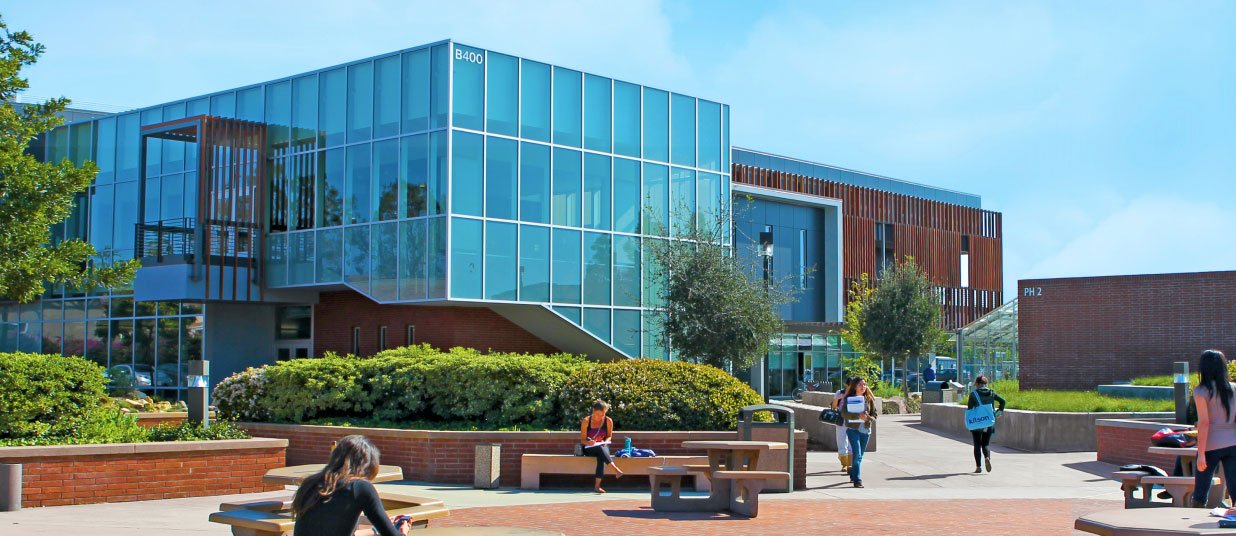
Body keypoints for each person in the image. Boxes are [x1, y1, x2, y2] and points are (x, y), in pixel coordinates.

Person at [291, 435, 409, 536]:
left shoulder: (309, 483)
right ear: (367, 464)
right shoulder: (360, 488)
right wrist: (403, 530)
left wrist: (375, 530)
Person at [1191, 350, 1236, 508]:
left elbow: (1204, 423)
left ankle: (1195, 517)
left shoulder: (1201, 391)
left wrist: (1201, 454)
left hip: (1210, 445)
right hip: (1233, 443)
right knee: (1234, 485)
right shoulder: (1234, 388)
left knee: (1201, 490)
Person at [840, 376, 878, 488]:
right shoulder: (849, 399)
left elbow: (875, 415)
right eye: (860, 385)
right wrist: (858, 416)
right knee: (857, 454)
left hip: (865, 429)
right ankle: (857, 480)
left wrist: (868, 418)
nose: (863, 387)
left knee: (860, 456)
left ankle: (853, 473)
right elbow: (844, 413)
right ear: (855, 387)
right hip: (853, 429)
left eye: (864, 384)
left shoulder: (869, 399)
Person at [580, 400, 624, 493]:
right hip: (588, 448)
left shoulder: (608, 421)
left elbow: (609, 436)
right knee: (601, 450)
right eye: (597, 414)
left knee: (601, 456)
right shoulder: (586, 421)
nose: (600, 417)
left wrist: (606, 441)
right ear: (593, 411)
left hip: (602, 445)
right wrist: (589, 442)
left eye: (602, 415)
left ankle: (597, 486)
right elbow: (582, 440)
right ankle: (615, 469)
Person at [967, 376, 1007, 474]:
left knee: (977, 444)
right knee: (985, 444)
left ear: (977, 384)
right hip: (989, 421)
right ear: (986, 384)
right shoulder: (991, 393)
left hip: (977, 422)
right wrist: (998, 413)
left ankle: (978, 467)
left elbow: (970, 409)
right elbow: (1003, 401)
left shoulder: (973, 394)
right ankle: (987, 457)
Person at [832, 378, 854, 472]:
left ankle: (850, 464)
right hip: (841, 419)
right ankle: (844, 464)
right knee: (841, 441)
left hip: (853, 419)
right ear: (847, 385)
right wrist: (838, 398)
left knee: (851, 442)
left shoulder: (856, 394)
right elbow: (833, 406)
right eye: (851, 385)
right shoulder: (839, 392)